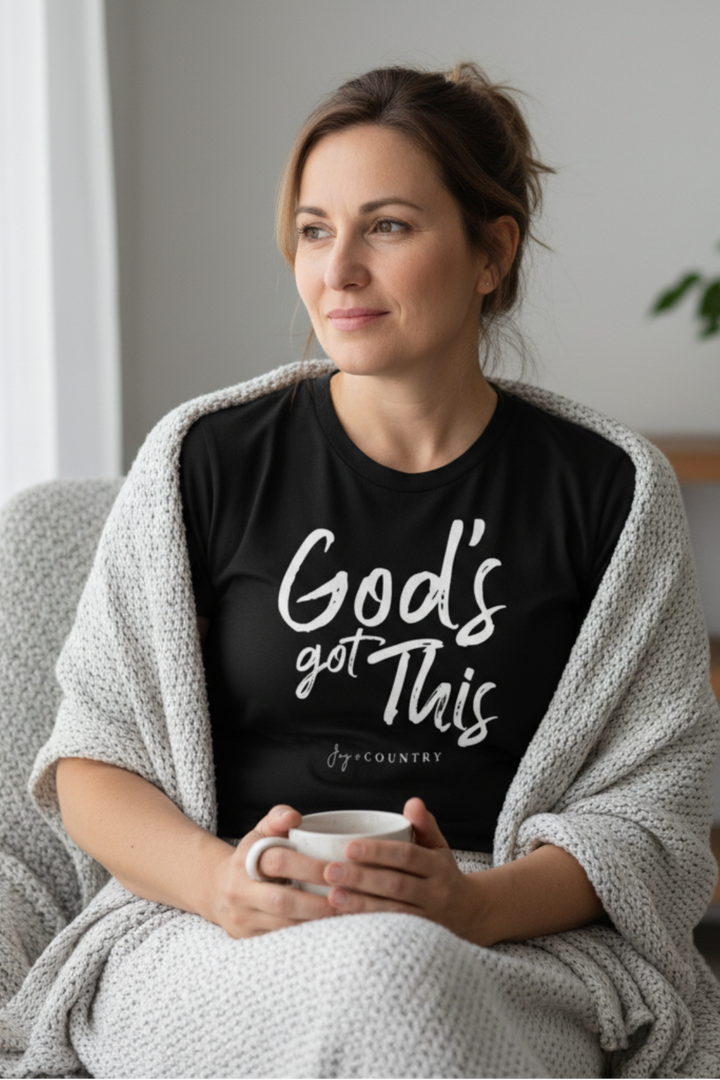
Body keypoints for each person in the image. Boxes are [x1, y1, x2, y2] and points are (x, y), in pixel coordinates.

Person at [2, 63, 720, 1079]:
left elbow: (653, 819)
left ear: (492, 252)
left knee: (398, 980)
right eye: (313, 230)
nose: (338, 271)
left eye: (386, 226)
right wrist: (218, 884)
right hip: (214, 932)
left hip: (505, 949)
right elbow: (91, 762)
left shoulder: (610, 491)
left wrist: (471, 906)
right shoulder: (203, 461)